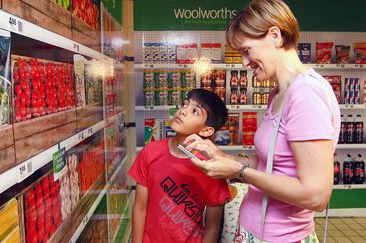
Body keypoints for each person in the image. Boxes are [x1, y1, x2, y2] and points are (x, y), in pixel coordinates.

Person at [184, 0, 341, 242]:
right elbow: (274, 164)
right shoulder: (278, 92)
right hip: (255, 230)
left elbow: (316, 196)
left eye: (247, 51)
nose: (245, 63)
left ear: (275, 36)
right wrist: (223, 157)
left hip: (280, 237)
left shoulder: (306, 93)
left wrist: (239, 171)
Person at [128, 89, 231, 243]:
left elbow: (212, 227)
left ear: (206, 130)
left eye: (195, 111)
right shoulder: (150, 152)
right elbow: (139, 208)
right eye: (185, 104)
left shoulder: (212, 168)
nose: (183, 111)